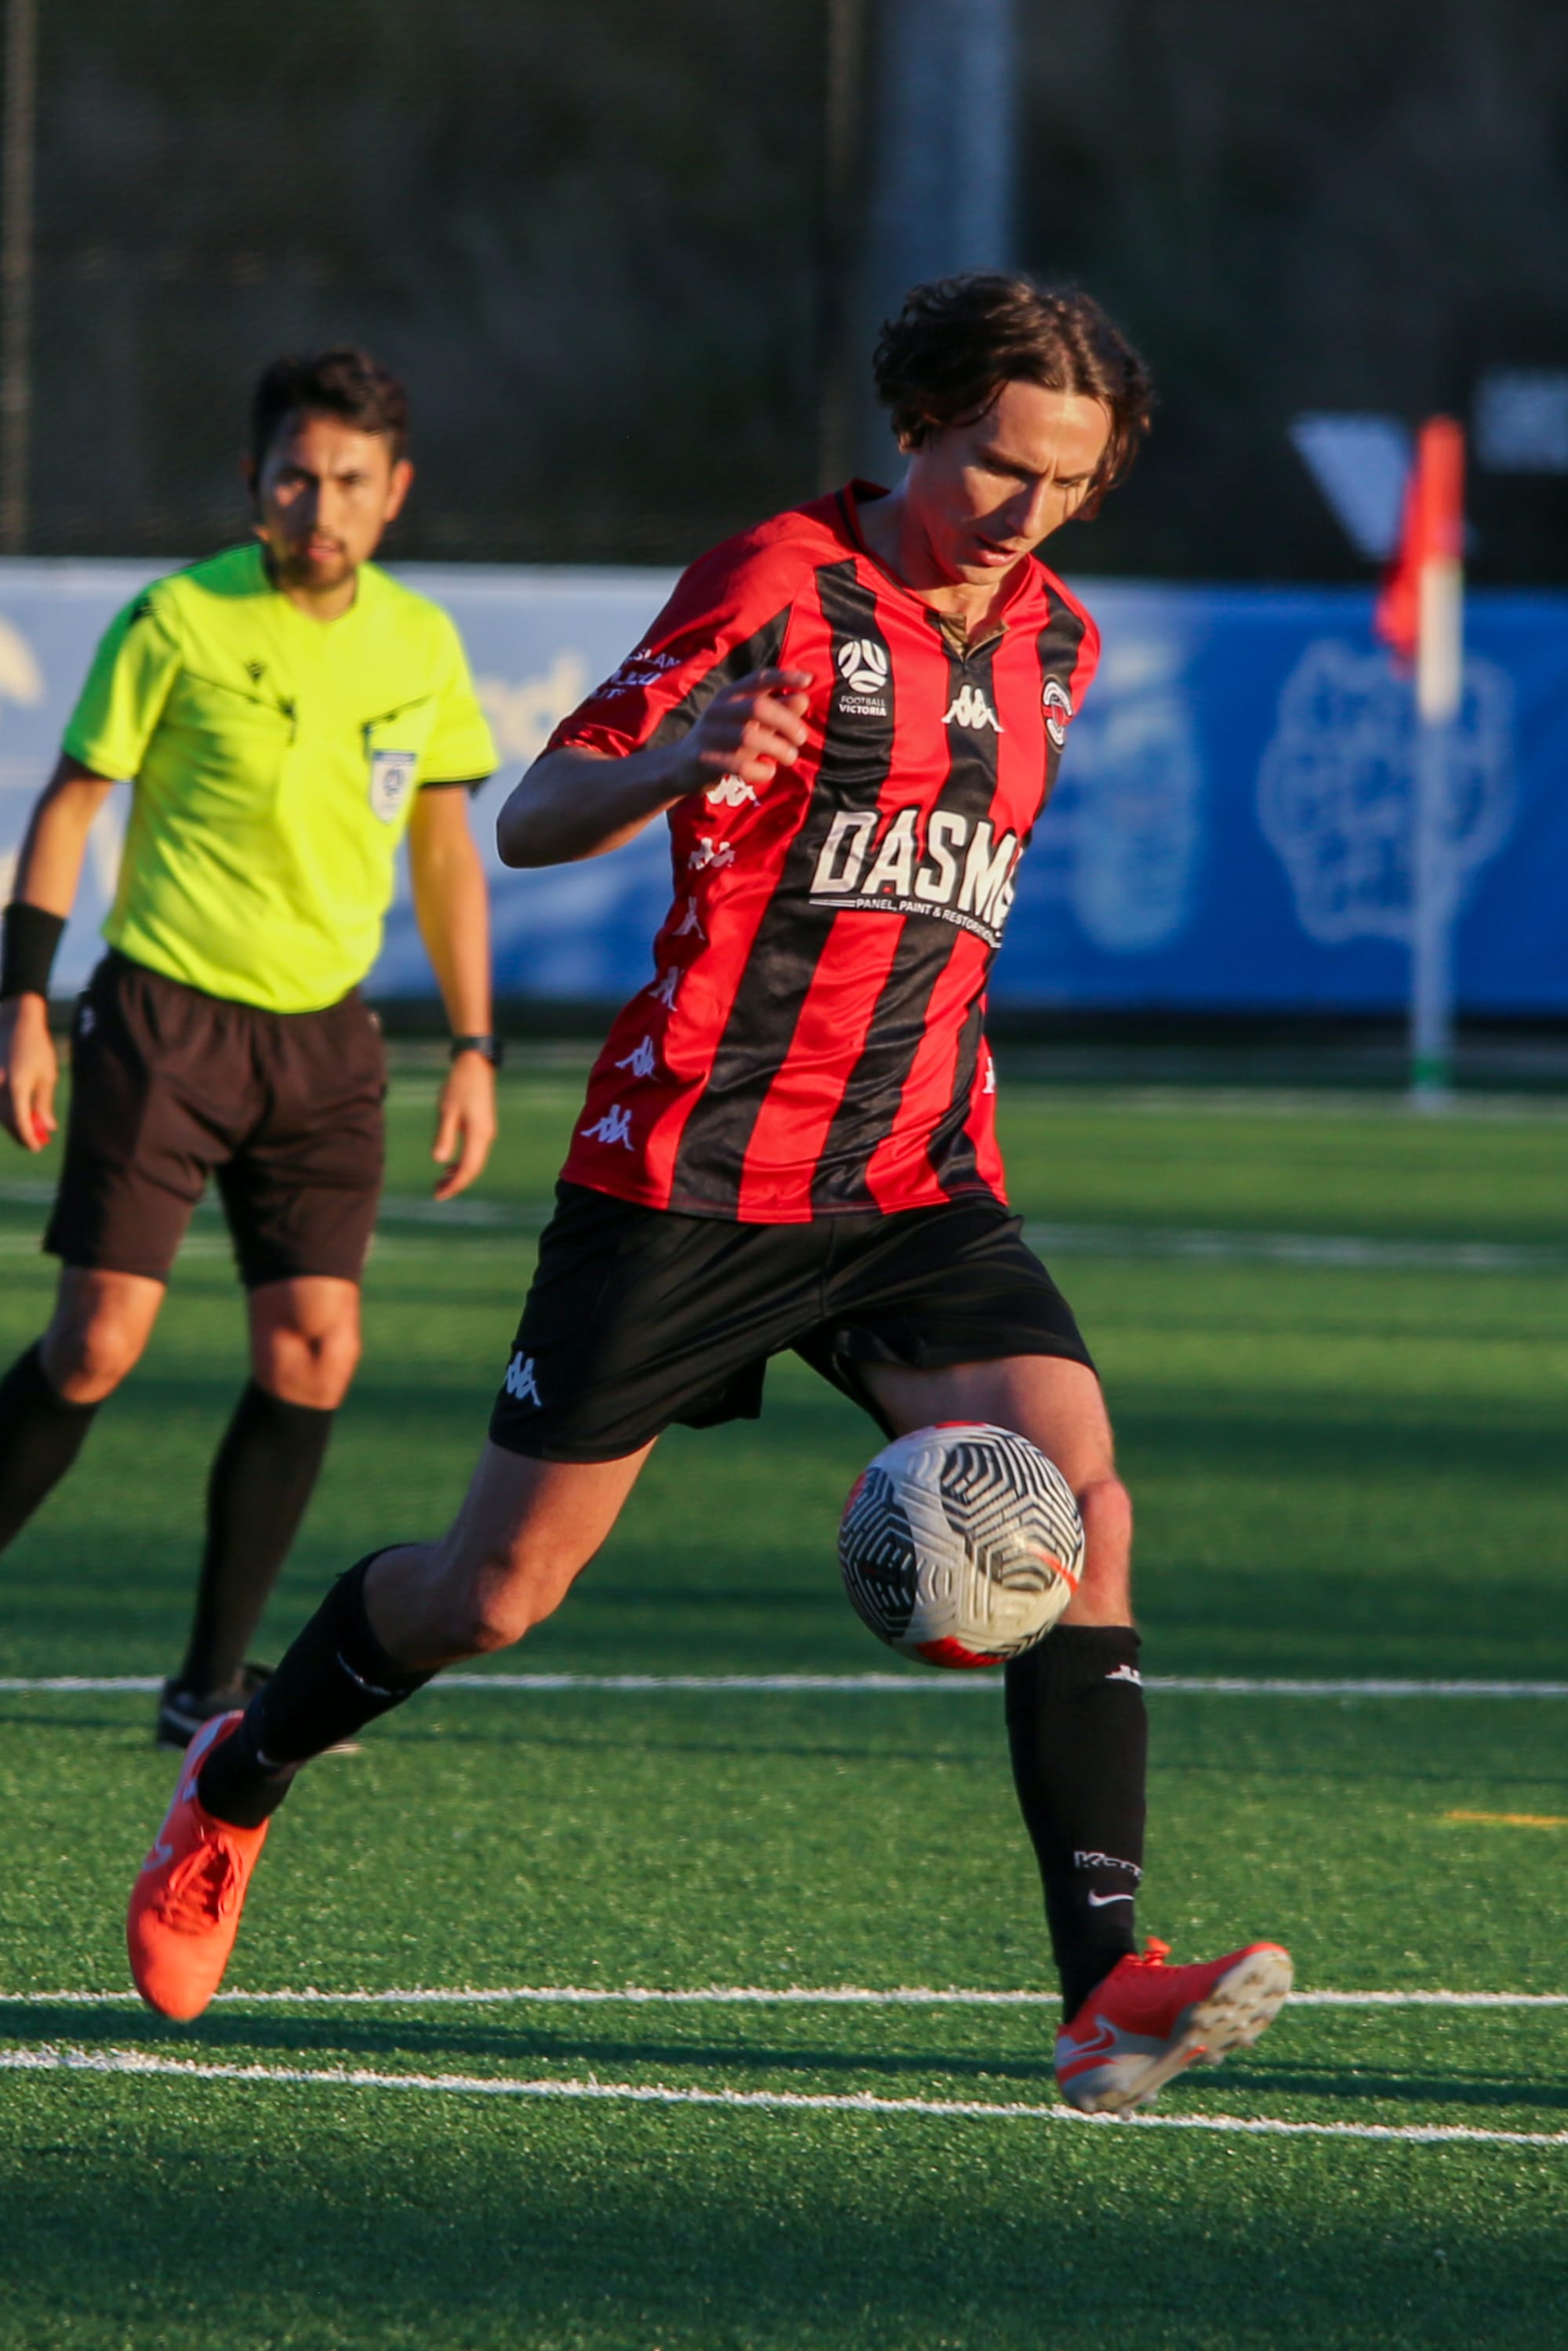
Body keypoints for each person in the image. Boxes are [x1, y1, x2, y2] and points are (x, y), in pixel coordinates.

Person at [125, 277, 1290, 2113]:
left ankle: (1105, 1991)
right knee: (491, 1594)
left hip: (912, 1177)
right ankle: (241, 1777)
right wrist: (675, 762)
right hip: (692, 1174)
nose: (1024, 508)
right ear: (918, 425)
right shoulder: (778, 581)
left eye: (1065, 481)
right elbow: (532, 814)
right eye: (995, 463)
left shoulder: (1054, 642)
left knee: (1083, 1500)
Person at [0, 346, 500, 1749]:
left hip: (327, 1046)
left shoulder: (421, 646)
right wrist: (23, 1005)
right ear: (255, 481)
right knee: (96, 1343)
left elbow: (449, 854)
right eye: (296, 475)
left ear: (394, 492)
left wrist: (475, 1046)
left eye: (349, 480)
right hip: (164, 1017)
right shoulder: (175, 620)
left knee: (314, 1353)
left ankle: (207, 1689)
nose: (319, 503)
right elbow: (67, 805)